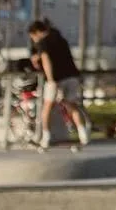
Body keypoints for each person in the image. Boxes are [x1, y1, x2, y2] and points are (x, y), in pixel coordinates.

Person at [26, 20, 91, 148]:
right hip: (72, 76)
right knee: (71, 105)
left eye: (33, 37)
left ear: (37, 32)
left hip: (56, 78)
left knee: (47, 107)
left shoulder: (43, 43)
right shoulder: (61, 39)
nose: (34, 40)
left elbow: (46, 60)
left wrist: (50, 79)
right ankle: (83, 135)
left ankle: (45, 137)